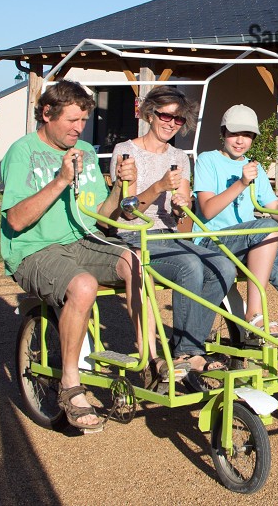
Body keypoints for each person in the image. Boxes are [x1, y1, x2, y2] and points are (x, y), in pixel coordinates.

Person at [0, 80, 141, 434]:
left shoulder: (87, 154)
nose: (79, 129)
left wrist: (120, 188)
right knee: (82, 285)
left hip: (81, 240)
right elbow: (16, 220)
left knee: (135, 262)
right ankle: (70, 385)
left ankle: (150, 360)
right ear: (47, 114)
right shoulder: (23, 152)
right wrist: (61, 180)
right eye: (72, 121)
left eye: (83, 121)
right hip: (33, 249)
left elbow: (99, 217)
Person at [98, 86, 236, 382]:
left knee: (223, 265)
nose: (171, 123)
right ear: (150, 113)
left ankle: (189, 345)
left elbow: (182, 218)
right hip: (135, 235)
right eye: (166, 116)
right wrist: (160, 186)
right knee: (189, 266)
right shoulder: (126, 152)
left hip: (167, 236)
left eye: (178, 120)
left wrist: (181, 207)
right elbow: (126, 210)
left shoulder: (179, 157)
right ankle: (186, 352)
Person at [194, 104, 278, 361]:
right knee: (264, 228)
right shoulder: (208, 160)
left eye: (247, 135)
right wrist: (241, 183)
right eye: (234, 133)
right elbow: (207, 210)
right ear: (223, 133)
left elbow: (277, 215)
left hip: (252, 243)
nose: (240, 140)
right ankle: (254, 314)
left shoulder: (253, 167)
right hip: (213, 244)